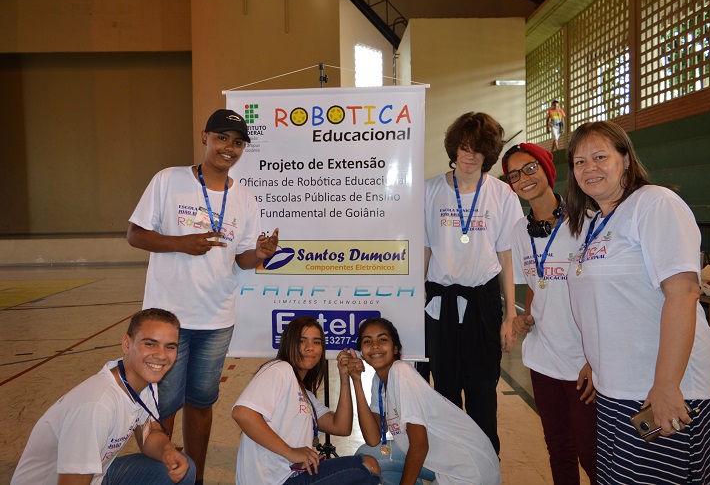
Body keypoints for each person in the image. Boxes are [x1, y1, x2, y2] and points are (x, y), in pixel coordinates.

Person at [127, 109, 279, 485]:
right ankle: (160, 475)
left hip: (216, 319)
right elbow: (135, 234)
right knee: (164, 405)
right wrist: (181, 243)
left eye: (237, 142)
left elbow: (240, 259)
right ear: (204, 137)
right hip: (168, 322)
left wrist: (259, 255)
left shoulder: (244, 198)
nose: (229, 148)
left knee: (202, 404)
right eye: (222, 137)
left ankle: (195, 475)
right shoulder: (169, 180)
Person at [564, 121, 710, 483]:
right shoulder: (594, 222)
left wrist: (666, 385)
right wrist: (595, 357)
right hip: (617, 387)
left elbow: (683, 293)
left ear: (627, 160)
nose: (590, 168)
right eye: (579, 162)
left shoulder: (654, 203)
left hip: (663, 387)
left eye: (600, 157)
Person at [423, 111, 523, 454]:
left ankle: (485, 466)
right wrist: (412, 303)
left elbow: (507, 257)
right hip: (439, 302)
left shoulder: (503, 195)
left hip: (483, 302)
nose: (469, 156)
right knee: (445, 390)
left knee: (482, 390)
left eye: (478, 150)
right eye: (464, 147)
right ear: (454, 148)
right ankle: (450, 464)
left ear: (489, 154)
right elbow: (423, 250)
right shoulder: (430, 191)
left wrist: (509, 315)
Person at [502, 143, 597, 485]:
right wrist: (524, 317)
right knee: (558, 446)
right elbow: (533, 284)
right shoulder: (519, 231)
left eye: (529, 168)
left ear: (547, 169)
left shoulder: (587, 224)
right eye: (514, 175)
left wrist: (596, 358)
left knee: (591, 451)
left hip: (584, 360)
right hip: (543, 359)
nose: (523, 178)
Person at [11, 308, 195, 485]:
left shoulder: (142, 382)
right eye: (150, 344)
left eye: (170, 347)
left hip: (96, 477)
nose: (161, 355)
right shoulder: (97, 405)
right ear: (127, 344)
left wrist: (167, 451)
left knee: (181, 467)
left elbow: (149, 433)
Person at [231, 315, 381, 485]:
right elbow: (242, 413)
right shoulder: (279, 369)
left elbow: (341, 427)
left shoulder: (304, 393)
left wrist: (345, 377)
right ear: (289, 344)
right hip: (276, 481)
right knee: (367, 466)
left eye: (317, 342)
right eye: (302, 341)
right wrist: (290, 452)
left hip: (295, 477)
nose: (310, 348)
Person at [351, 317, 501, 485]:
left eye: (382, 339)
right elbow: (373, 439)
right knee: (366, 457)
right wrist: (356, 381)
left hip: (469, 470)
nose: (375, 346)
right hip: (443, 462)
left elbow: (420, 445)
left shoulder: (401, 373)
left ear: (395, 348)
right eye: (367, 341)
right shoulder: (378, 382)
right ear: (361, 352)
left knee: (371, 461)